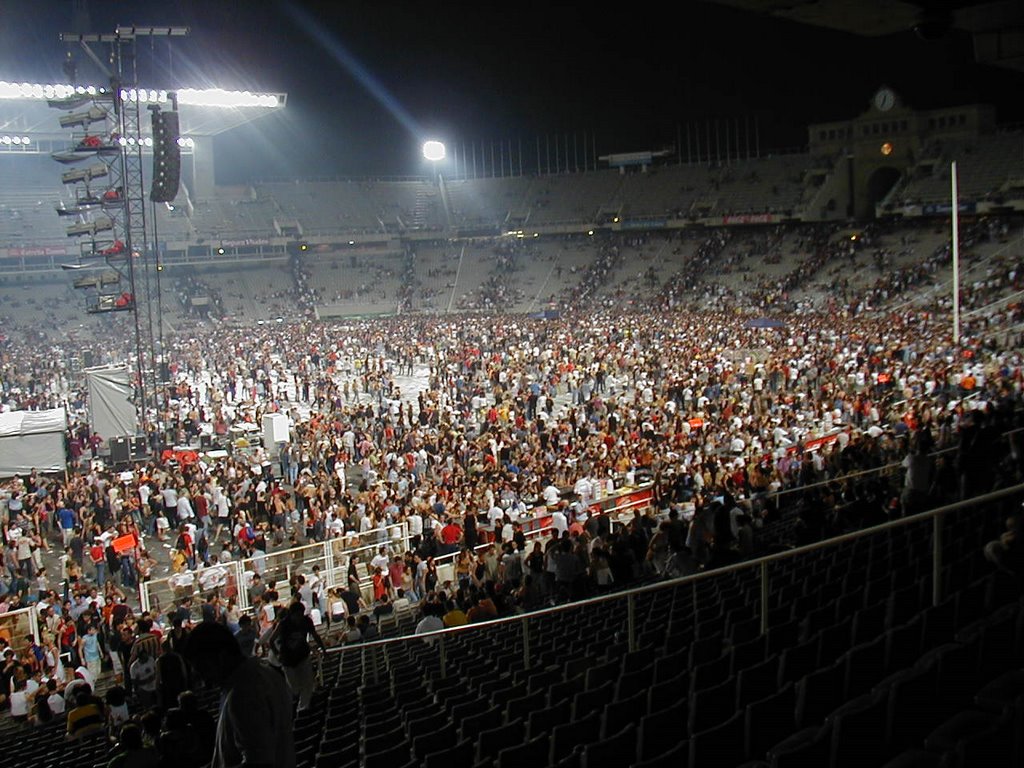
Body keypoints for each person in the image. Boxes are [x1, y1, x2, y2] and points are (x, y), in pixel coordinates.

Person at [181, 620, 296, 768]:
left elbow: (258, 761)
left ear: (221, 657)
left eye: (203, 668)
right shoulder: (268, 674)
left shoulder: (242, 695)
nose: (203, 678)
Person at [269, 599, 326, 712]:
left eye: (301, 614)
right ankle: (298, 704)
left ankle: (303, 708)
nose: (299, 617)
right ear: (292, 614)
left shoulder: (306, 621)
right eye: (297, 615)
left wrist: (323, 649)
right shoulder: (284, 624)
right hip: (288, 659)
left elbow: (315, 635)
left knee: (308, 683)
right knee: (294, 687)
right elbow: (271, 640)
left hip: (303, 655)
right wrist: (277, 654)